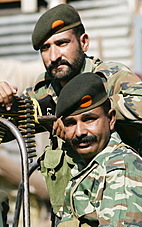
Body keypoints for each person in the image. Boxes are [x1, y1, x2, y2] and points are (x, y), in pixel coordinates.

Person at [0, 3, 142, 215]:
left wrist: (88, 111)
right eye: (45, 48)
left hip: (120, 203)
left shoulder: (110, 77)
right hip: (70, 209)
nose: (54, 56)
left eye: (62, 43)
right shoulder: (45, 88)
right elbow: (2, 132)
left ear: (84, 42)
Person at [54, 73, 142, 226]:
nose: (80, 132)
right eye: (70, 123)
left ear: (111, 119)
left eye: (89, 119)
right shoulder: (86, 167)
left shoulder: (120, 167)